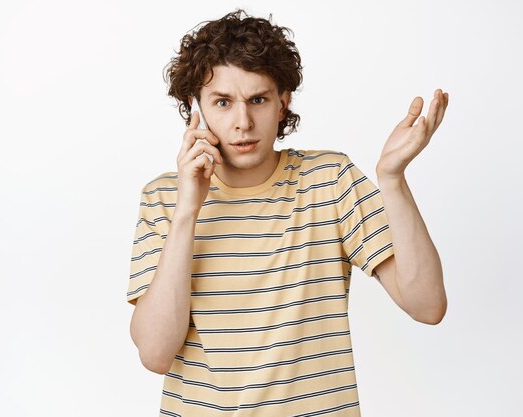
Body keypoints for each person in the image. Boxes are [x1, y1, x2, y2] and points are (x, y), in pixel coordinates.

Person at [127, 9, 448, 417]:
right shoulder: (163, 198)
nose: (242, 121)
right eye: (222, 102)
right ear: (196, 108)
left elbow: (428, 306)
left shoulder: (329, 180)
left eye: (257, 99)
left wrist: (393, 178)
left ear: (283, 102)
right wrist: (189, 207)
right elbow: (155, 353)